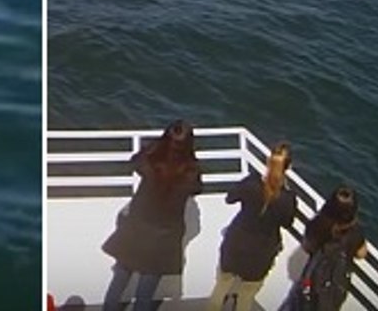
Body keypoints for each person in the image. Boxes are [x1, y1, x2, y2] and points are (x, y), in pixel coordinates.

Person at [101, 119, 203, 311]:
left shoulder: (152, 160)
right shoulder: (190, 169)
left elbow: (135, 161)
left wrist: (157, 146)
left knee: (119, 280)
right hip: (163, 238)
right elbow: (197, 189)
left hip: (136, 228)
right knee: (145, 294)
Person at [205, 143, 297, 311]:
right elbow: (287, 223)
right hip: (262, 252)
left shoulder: (251, 183)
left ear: (268, 161)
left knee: (221, 287)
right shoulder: (288, 198)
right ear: (288, 167)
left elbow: (230, 198)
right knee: (246, 295)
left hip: (236, 242)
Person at [285, 186, 368, 311]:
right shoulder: (355, 234)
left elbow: (307, 247)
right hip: (332, 292)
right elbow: (361, 254)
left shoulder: (317, 225)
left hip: (311, 283)